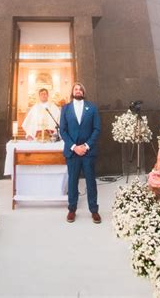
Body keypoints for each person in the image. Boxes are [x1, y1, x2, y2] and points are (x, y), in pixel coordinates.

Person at [59, 82, 101, 224]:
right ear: (72, 92)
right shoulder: (65, 109)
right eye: (75, 89)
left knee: (91, 181)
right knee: (72, 181)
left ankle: (94, 210)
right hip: (72, 152)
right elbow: (63, 131)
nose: (78, 91)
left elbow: (96, 129)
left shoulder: (92, 108)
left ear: (83, 92)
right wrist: (74, 147)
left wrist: (86, 145)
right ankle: (72, 209)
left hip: (88, 152)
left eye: (80, 89)